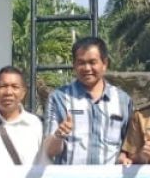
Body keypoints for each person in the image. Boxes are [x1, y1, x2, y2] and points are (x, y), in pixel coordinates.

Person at [44, 37, 134, 165]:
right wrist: (59, 135)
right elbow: (49, 150)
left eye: (92, 62)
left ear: (104, 64)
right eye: (81, 63)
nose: (87, 68)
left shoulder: (123, 100)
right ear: (74, 65)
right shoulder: (59, 98)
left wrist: (124, 156)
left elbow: (129, 146)